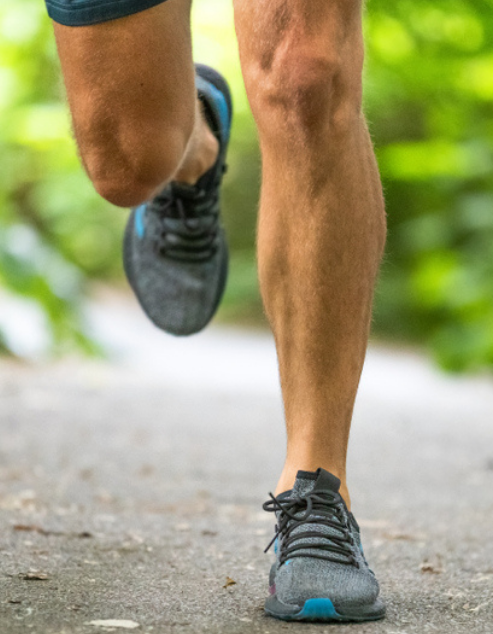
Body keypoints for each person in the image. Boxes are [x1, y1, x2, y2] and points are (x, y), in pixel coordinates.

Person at [44, 0, 387, 622]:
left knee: (305, 74)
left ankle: (315, 488)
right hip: (148, 155)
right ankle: (193, 146)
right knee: (127, 158)